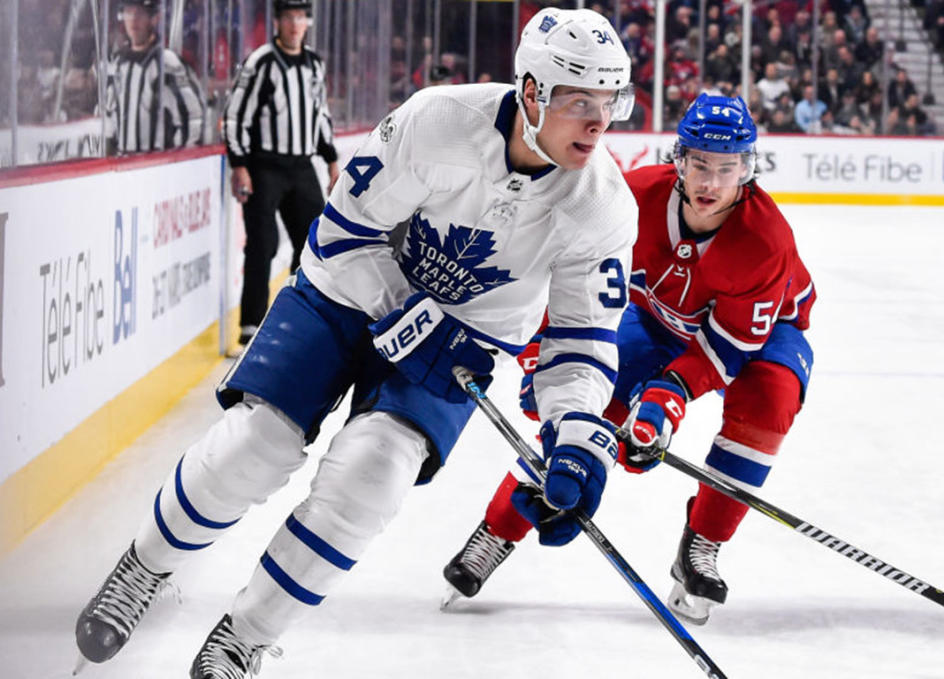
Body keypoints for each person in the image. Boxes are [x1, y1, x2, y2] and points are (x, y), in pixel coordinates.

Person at [73, 7, 637, 677]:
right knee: (256, 444)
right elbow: (343, 230)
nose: (600, 120)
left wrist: (575, 436)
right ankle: (144, 565)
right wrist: (404, 309)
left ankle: (244, 636)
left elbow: (580, 343)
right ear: (532, 92)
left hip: (455, 349)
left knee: (374, 475)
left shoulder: (601, 204)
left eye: (611, 100)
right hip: (344, 297)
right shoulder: (437, 122)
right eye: (580, 101)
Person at [440, 94, 816, 625]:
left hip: (765, 334)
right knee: (587, 413)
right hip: (660, 319)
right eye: (700, 165)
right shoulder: (631, 198)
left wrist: (669, 396)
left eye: (726, 169)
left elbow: (728, 346)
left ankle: (701, 545)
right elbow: (565, 281)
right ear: (679, 160)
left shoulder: (765, 240)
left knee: (769, 399)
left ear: (747, 169)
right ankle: (498, 530)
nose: (711, 184)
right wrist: (541, 359)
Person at [226, 0, 341, 347]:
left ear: (308, 22)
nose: (295, 24)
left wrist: (332, 160)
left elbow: (320, 115)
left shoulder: (314, 64)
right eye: (288, 18)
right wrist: (239, 164)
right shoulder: (261, 62)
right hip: (264, 165)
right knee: (262, 244)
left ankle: (296, 321)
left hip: (301, 165)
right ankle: (251, 327)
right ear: (277, 22)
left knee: (314, 241)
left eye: (301, 18)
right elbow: (235, 114)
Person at [103, 0, 205, 154]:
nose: (133, 19)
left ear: (155, 18)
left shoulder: (167, 63)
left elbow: (193, 119)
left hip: (156, 170)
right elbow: (109, 116)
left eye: (140, 13)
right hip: (123, 169)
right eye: (129, 12)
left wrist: (176, 162)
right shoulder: (117, 64)